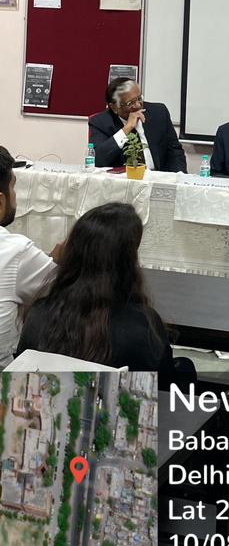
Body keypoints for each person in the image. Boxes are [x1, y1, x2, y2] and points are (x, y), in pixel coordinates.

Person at [17, 202, 178, 377]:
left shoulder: (38, 314)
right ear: (128, 263)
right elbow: (162, 386)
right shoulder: (143, 326)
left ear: (71, 254)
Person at [0, 145, 58, 369]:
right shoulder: (15, 250)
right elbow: (64, 289)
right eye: (13, 187)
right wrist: (58, 261)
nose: (15, 196)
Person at [88, 78, 187, 172]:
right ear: (114, 107)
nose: (138, 105)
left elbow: (175, 151)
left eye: (139, 98)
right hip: (124, 180)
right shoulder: (100, 122)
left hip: (157, 177)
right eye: (130, 103)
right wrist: (126, 129)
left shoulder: (159, 112)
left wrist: (179, 178)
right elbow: (97, 160)